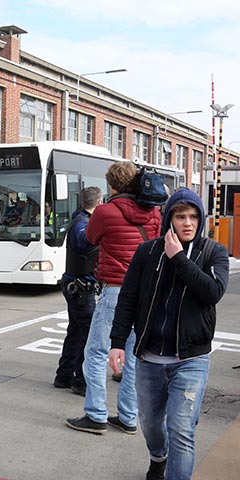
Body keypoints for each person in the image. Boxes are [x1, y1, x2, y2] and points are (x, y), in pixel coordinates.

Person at [109, 188, 228, 480]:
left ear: (201, 219)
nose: (188, 223)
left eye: (193, 217)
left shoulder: (214, 252)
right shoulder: (147, 252)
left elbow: (212, 292)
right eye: (180, 216)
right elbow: (128, 299)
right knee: (150, 423)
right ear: (169, 219)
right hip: (149, 357)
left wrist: (178, 259)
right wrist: (117, 343)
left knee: (181, 429)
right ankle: (157, 457)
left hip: (192, 359)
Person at [66, 161, 161, 435]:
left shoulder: (106, 212)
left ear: (112, 184)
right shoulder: (153, 213)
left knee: (95, 353)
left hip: (115, 291)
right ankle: (129, 417)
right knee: (133, 356)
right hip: (144, 293)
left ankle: (96, 415)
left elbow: (87, 241)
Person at [54, 186, 103, 397]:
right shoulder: (83, 225)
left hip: (76, 285)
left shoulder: (79, 219)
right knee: (88, 335)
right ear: (99, 202)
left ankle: (64, 376)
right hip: (81, 287)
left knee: (75, 331)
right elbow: (85, 245)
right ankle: (80, 380)